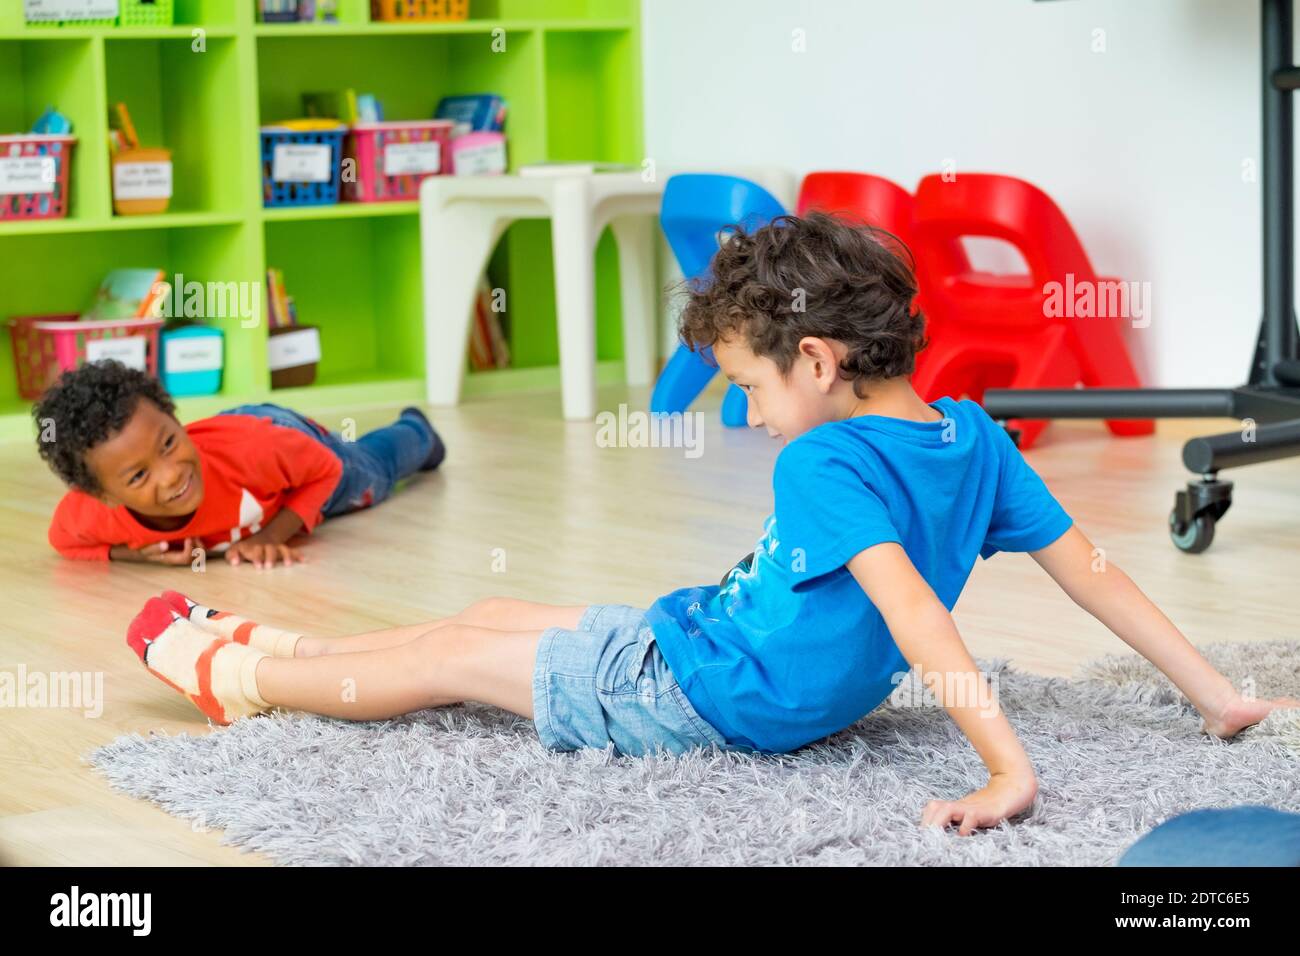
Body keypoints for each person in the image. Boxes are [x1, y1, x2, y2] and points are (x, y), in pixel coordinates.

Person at [123, 213, 1299, 834]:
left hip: (701, 691)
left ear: (821, 360)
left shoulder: (826, 459)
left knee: (446, 658)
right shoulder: (972, 434)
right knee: (486, 615)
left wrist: (1008, 770)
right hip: (716, 649)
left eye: (747, 379)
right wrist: (1214, 692)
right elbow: (1090, 569)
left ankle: (251, 678)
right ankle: (294, 651)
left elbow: (914, 618)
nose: (744, 405)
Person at [36, 360, 444, 567]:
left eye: (168, 443)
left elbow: (326, 469)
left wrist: (273, 534)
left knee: (369, 473)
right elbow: (63, 541)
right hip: (250, 442)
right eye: (139, 475)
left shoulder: (254, 450)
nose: (172, 472)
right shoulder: (94, 512)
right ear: (104, 495)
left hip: (279, 437)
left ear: (177, 420)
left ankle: (418, 432)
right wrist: (136, 555)